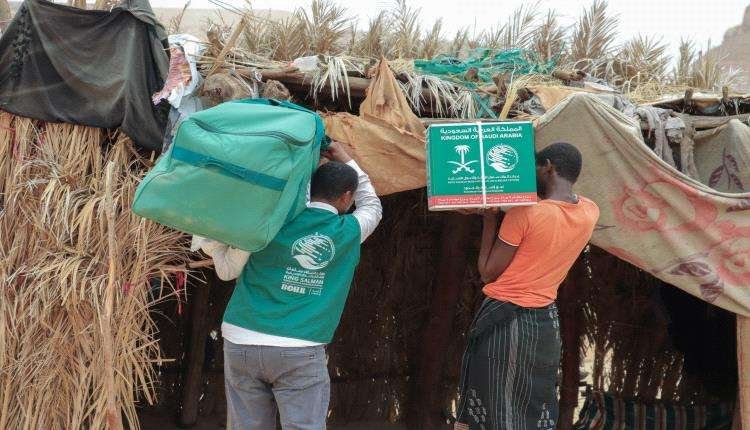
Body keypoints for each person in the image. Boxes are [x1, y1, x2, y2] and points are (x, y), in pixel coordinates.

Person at [192, 141, 382, 430]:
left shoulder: (272, 220)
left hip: (241, 337)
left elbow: (295, 195)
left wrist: (306, 164)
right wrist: (348, 160)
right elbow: (373, 206)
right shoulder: (348, 232)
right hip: (300, 346)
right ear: (347, 198)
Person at [454, 142, 599, 430]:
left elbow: (488, 272)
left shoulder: (526, 214)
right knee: (531, 405)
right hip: (545, 323)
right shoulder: (590, 212)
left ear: (548, 167)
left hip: (506, 325)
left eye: (533, 166)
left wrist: (489, 219)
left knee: (494, 405)